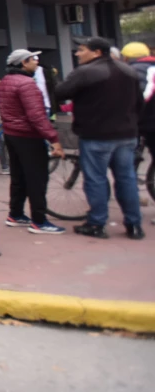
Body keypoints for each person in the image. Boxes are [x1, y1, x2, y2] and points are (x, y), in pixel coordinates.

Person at [53, 37, 145, 240]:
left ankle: (97, 223)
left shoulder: (86, 72)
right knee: (126, 179)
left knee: (96, 179)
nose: (77, 53)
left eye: (82, 50)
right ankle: (134, 224)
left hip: (97, 135)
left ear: (96, 52)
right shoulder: (128, 70)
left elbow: (61, 92)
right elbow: (139, 103)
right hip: (126, 134)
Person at [0, 50, 65, 234]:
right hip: (28, 136)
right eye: (33, 59)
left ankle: (16, 214)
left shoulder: (5, 81)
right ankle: (39, 221)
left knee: (18, 176)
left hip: (11, 135)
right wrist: (53, 138)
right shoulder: (27, 84)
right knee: (37, 178)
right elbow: (36, 116)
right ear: (23, 63)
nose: (37, 62)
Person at [123, 42, 155, 169]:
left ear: (127, 57)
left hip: (144, 120)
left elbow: (139, 96)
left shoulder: (132, 70)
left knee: (128, 155)